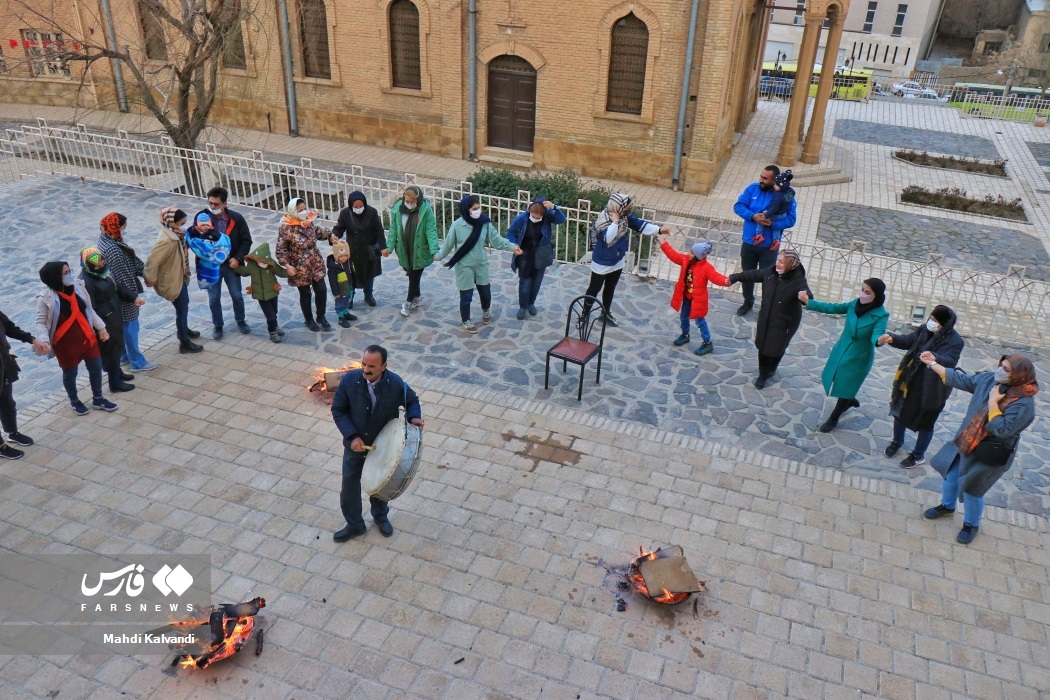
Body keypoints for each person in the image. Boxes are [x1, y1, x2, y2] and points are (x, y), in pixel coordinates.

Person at [920, 352, 1038, 544]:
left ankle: (971, 524)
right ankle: (947, 507)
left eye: (1006, 370)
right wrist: (932, 363)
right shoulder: (990, 380)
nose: (999, 371)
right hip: (967, 441)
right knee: (951, 475)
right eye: (1001, 365)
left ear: (1019, 375)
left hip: (989, 452)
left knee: (972, 489)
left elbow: (1001, 429)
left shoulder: (1024, 404)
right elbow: (962, 379)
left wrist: (993, 403)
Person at [331, 345, 423, 542]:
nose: (365, 369)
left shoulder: (396, 384)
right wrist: (353, 436)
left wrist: (414, 418)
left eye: (371, 366)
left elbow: (412, 402)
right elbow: (338, 410)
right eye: (363, 364)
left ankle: (380, 517)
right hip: (355, 446)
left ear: (384, 366)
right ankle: (355, 524)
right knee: (349, 487)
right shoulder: (349, 380)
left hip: (383, 446)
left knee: (382, 483)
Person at [799, 278, 889, 433]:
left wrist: (879, 341)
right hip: (843, 349)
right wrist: (809, 302)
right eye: (862, 290)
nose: (863, 294)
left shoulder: (881, 315)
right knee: (837, 379)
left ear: (877, 295)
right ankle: (849, 399)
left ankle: (834, 417)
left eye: (868, 292)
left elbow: (877, 334)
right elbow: (834, 308)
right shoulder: (854, 304)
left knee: (848, 385)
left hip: (859, 357)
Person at [880, 305, 965, 468]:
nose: (930, 322)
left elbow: (950, 361)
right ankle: (897, 441)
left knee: (926, 423)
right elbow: (907, 341)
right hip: (911, 380)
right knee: (900, 413)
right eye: (930, 318)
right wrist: (892, 338)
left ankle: (918, 454)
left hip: (933, 389)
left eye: (935, 320)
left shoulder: (955, 342)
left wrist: (935, 357)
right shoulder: (924, 330)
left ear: (944, 324)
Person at [35, 261, 118, 416]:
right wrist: (44, 341)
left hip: (87, 338)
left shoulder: (78, 288)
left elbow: (88, 310)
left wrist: (101, 329)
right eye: (65, 273)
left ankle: (98, 398)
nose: (70, 274)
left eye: (69, 271)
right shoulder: (45, 298)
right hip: (66, 344)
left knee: (95, 368)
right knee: (70, 373)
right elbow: (41, 322)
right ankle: (74, 400)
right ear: (54, 277)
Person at [435, 195, 523, 334]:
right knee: (466, 296)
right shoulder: (457, 225)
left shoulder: (484, 223)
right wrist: (438, 256)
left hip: (481, 263)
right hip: (464, 265)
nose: (477, 211)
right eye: (474, 209)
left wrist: (513, 247)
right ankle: (466, 321)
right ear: (466, 210)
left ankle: (486, 311)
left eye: (478, 208)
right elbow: (448, 244)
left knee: (485, 293)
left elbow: (496, 240)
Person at [583, 193, 670, 327]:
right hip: (602, 262)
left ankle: (605, 313)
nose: (629, 207)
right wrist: (615, 222)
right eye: (627, 204)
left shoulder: (625, 217)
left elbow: (640, 225)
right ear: (618, 206)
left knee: (610, 288)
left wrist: (658, 230)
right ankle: (584, 315)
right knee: (594, 289)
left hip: (617, 260)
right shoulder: (604, 219)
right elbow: (608, 238)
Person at [727, 250, 810, 389]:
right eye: (778, 260)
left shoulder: (798, 280)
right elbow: (753, 274)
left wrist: (805, 298)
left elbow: (807, 295)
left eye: (782, 262)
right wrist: (735, 277)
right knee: (764, 347)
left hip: (786, 322)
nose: (777, 263)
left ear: (791, 265)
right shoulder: (770, 272)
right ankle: (763, 373)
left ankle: (773, 367)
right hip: (766, 317)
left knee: (778, 348)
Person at [732, 165, 798, 316]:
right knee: (747, 274)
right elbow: (738, 206)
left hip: (769, 247)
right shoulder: (753, 189)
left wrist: (773, 224)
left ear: (775, 180)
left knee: (768, 278)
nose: (761, 180)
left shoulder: (787, 195)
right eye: (761, 176)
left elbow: (791, 219)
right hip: (750, 242)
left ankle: (766, 306)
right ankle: (747, 301)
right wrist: (753, 216)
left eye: (765, 178)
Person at [96, 212, 156, 372]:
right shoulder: (113, 250)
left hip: (115, 297)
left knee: (122, 328)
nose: (124, 230)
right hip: (123, 298)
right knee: (130, 329)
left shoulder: (106, 242)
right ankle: (137, 362)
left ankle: (124, 356)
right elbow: (122, 278)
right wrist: (133, 296)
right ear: (115, 227)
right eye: (123, 227)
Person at [144, 207, 204, 354]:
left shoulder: (176, 234)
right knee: (182, 308)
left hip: (179, 275)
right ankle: (184, 342)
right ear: (172, 223)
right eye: (181, 223)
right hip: (172, 279)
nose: (184, 225)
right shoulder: (168, 240)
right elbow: (153, 260)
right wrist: (150, 278)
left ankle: (183, 330)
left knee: (183, 305)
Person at [78, 247, 137, 393]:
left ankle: (118, 373)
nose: (102, 267)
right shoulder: (85, 283)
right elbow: (91, 309)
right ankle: (114, 382)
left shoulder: (105, 272)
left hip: (114, 317)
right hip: (105, 322)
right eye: (97, 266)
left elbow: (116, 287)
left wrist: (133, 297)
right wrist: (100, 328)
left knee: (117, 347)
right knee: (111, 351)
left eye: (103, 263)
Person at [659, 240, 730, 356]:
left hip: (698, 300)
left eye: (691, 253)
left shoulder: (706, 267)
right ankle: (685, 335)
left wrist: (726, 281)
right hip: (687, 296)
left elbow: (716, 277)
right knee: (683, 317)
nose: (688, 254)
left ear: (698, 256)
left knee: (700, 321)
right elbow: (673, 255)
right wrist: (664, 244)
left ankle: (708, 343)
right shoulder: (686, 260)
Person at [199, 186, 252, 339]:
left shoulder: (236, 218)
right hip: (211, 266)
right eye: (210, 203)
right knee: (214, 298)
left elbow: (246, 240)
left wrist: (238, 258)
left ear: (225, 204)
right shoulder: (202, 218)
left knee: (236, 295)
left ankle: (240, 320)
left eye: (216, 204)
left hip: (231, 264)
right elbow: (195, 240)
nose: (212, 207)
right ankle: (218, 325)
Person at [275, 198, 335, 332]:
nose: (304, 212)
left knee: (322, 290)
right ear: (293, 211)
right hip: (300, 266)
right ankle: (309, 319)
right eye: (301, 210)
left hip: (315, 262)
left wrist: (330, 235)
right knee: (305, 293)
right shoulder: (286, 228)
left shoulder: (307, 222)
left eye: (304, 208)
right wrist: (287, 265)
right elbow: (281, 249)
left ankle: (321, 316)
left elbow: (318, 232)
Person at [0, 308, 49, 458]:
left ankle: (12, 433)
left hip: (4, 364)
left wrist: (32, 339)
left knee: (7, 402)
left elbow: (9, 327)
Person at [506, 198, 566, 320]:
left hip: (541, 254)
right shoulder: (521, 219)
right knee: (525, 281)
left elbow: (561, 219)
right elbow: (510, 233)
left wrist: (554, 207)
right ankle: (523, 306)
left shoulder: (547, 217)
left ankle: (531, 303)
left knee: (537, 281)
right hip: (524, 254)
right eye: (533, 216)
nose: (536, 219)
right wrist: (515, 245)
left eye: (538, 217)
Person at [386, 185, 439, 318]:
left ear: (417, 200)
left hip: (420, 250)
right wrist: (389, 247)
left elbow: (430, 231)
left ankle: (408, 302)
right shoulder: (398, 210)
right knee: (411, 273)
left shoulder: (425, 211)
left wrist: (434, 250)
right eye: (407, 201)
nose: (409, 204)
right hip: (405, 249)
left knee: (415, 276)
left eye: (411, 202)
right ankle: (418, 298)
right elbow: (393, 230)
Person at [332, 191, 388, 308]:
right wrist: (335, 235)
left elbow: (379, 230)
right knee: (351, 275)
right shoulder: (345, 214)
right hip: (354, 250)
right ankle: (350, 298)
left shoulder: (372, 212)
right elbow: (339, 228)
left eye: (360, 206)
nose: (358, 208)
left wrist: (383, 247)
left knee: (369, 274)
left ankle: (368, 295)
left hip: (369, 250)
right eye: (355, 207)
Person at [235, 242, 288, 343]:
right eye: (260, 261)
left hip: (272, 292)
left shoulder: (271, 264)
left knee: (274, 312)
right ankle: (272, 332)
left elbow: (280, 272)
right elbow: (244, 272)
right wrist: (235, 267)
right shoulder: (251, 265)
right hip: (261, 296)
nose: (263, 263)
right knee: (270, 315)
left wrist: (290, 272)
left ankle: (275, 326)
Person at [187, 213, 231, 290]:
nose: (206, 227)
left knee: (213, 274)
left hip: (214, 259)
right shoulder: (194, 233)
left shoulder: (214, 233)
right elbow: (193, 242)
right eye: (203, 225)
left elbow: (221, 242)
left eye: (207, 225)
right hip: (202, 261)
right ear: (198, 225)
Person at [327, 239, 358, 328]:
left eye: (346, 255)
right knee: (340, 303)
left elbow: (351, 273)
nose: (344, 258)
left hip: (349, 286)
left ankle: (346, 313)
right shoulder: (333, 267)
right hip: (340, 290)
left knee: (348, 301)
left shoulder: (347, 263)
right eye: (341, 256)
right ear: (336, 255)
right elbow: (332, 281)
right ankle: (341, 317)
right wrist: (336, 293)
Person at [760, 170, 795, 239]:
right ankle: (776, 239)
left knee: (760, 220)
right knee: (776, 228)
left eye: (776, 185)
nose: (774, 186)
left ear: (782, 186)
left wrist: (765, 215)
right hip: (783, 214)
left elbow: (774, 208)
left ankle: (758, 235)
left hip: (776, 214)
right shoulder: (790, 192)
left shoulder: (778, 196)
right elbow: (790, 197)